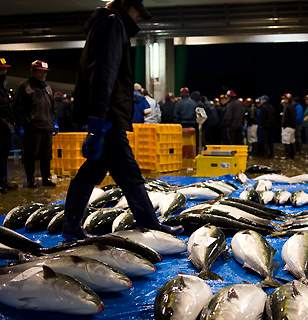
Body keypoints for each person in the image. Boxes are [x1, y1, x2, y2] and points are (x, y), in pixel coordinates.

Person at [62, 0, 183, 240]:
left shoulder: (105, 24)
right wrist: (98, 119)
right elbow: (104, 71)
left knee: (94, 169)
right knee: (127, 170)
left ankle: (71, 225)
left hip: (107, 113)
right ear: (127, 5)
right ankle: (150, 224)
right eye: (138, 12)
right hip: (108, 116)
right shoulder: (112, 24)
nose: (138, 18)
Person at [13, 60, 58, 188]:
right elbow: (18, 107)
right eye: (40, 71)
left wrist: (54, 121)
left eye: (45, 72)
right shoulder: (24, 87)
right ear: (32, 71)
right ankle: (30, 179)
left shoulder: (48, 88)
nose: (43, 74)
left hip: (47, 127)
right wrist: (20, 125)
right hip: (32, 128)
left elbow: (53, 107)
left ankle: (46, 178)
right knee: (30, 155)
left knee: (46, 155)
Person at [0, 58, 18, 192]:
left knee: (3, 154)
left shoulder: (2, 88)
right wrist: (6, 123)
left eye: (5, 69)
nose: (4, 71)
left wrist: (11, 121)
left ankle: (3, 181)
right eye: (2, 69)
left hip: (4, 128)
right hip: (0, 126)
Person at [281, 93, 296, 159]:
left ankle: (288, 156)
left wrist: (283, 125)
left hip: (287, 127)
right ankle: (292, 156)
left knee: (286, 141)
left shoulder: (287, 106)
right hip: (292, 127)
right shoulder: (292, 106)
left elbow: (285, 117)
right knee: (291, 141)